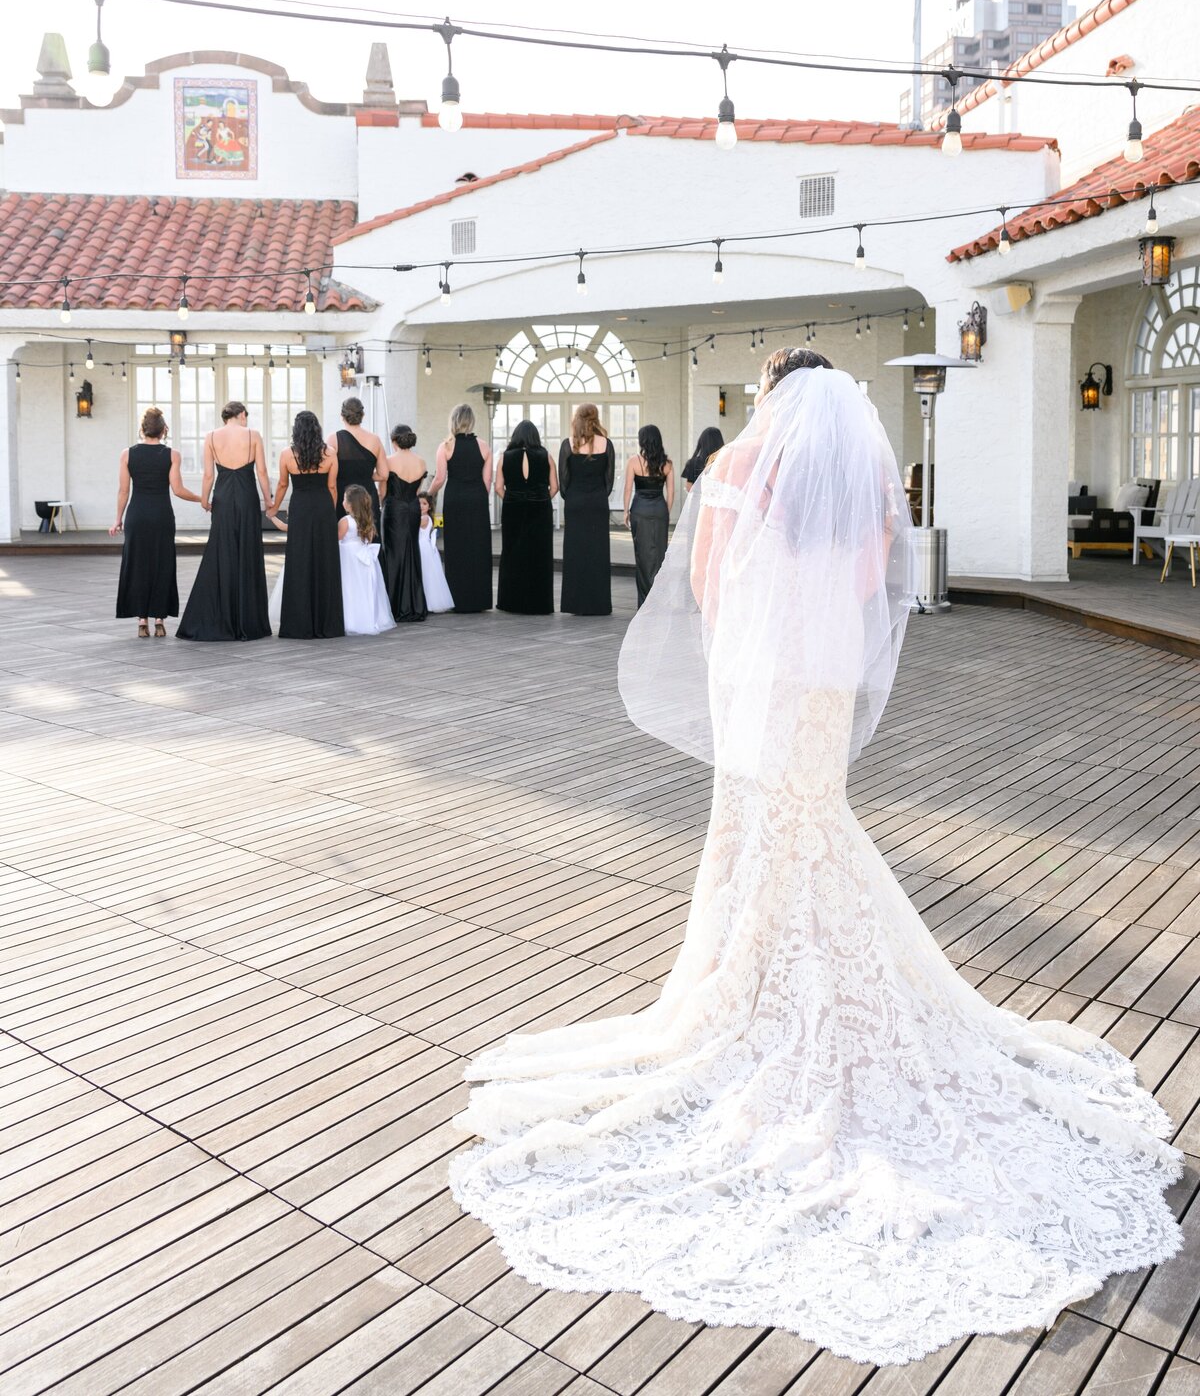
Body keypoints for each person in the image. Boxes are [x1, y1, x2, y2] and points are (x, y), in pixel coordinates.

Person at [450, 346, 1182, 1366]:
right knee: (812, 822)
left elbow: (707, 584)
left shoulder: (739, 470)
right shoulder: (868, 477)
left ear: (772, 400)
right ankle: (797, 973)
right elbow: (878, 583)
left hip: (760, 673)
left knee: (759, 832)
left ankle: (748, 986)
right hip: (827, 672)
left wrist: (743, 638)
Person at [178, 401, 272, 641]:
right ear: (241, 415)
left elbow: (208, 474)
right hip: (246, 495)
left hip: (222, 495)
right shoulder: (253, 435)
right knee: (248, 551)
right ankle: (248, 621)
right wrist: (268, 499)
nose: (246, 421)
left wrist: (204, 499)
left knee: (221, 551)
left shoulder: (211, 436)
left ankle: (219, 615)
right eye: (246, 417)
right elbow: (261, 472)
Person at [111, 406, 202, 636]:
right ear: (163, 431)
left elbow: (123, 491)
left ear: (142, 429)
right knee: (162, 565)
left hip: (137, 516)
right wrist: (202, 499)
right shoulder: (172, 455)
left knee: (139, 566)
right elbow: (179, 490)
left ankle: (142, 621)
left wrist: (117, 520)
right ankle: (160, 620)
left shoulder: (127, 454)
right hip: (161, 516)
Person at [270, 410, 343, 639]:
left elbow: (282, 485)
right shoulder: (330, 453)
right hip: (322, 508)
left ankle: (298, 624)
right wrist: (329, 512)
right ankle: (326, 624)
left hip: (300, 508)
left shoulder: (287, 454)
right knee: (325, 562)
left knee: (299, 561)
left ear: (296, 430)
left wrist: (273, 508)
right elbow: (332, 488)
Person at [428, 404, 492, 613]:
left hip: (455, 498)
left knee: (457, 547)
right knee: (478, 546)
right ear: (471, 421)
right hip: (477, 499)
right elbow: (487, 481)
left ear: (453, 421)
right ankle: (480, 599)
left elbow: (439, 478)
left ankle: (458, 598)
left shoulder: (445, 446)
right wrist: (479, 497)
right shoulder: (484, 446)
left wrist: (428, 494)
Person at [558, 403, 614, 615]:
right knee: (598, 552)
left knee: (575, 553)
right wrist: (598, 496)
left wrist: (571, 496)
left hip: (575, 503)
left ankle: (575, 603)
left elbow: (563, 480)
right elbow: (609, 480)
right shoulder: (606, 444)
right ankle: (599, 604)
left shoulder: (568, 444)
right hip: (598, 503)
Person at [496, 419, 557, 615]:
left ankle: (511, 602)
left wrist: (513, 498)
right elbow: (554, 487)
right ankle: (540, 604)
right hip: (540, 509)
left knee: (512, 553)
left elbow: (498, 487)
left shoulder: (505, 457)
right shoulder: (546, 456)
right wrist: (540, 498)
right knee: (540, 554)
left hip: (513, 509)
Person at [622, 424, 675, 607]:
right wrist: (665, 512)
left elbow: (628, 488)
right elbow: (671, 492)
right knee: (660, 554)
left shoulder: (633, 461)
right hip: (659, 510)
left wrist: (625, 511)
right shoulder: (667, 464)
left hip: (640, 510)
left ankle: (644, 602)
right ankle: (659, 600)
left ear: (642, 441)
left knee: (642, 556)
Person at [381, 423, 427, 624]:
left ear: (394, 441)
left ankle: (394, 605)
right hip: (413, 508)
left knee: (393, 554)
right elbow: (417, 492)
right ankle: (414, 604)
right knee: (411, 552)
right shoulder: (421, 462)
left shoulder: (389, 461)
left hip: (394, 509)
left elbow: (383, 491)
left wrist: (382, 503)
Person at [338, 485, 396, 636]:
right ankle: (368, 616)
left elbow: (337, 539)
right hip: (363, 558)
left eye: (344, 499)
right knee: (364, 588)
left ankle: (350, 619)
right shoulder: (368, 521)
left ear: (350, 504)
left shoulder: (345, 521)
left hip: (349, 558)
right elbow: (367, 541)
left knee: (349, 588)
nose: (342, 502)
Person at [328, 396, 387, 535]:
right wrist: (367, 475)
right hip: (367, 494)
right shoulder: (375, 439)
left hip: (342, 496)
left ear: (342, 416)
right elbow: (384, 474)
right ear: (363, 415)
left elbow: (326, 470)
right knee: (368, 537)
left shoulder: (333, 439)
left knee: (342, 538)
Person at [417, 491, 453, 612]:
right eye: (419, 503)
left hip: (423, 548)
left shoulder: (424, 518)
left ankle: (428, 602)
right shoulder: (425, 517)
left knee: (426, 575)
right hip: (425, 547)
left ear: (429, 506)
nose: (421, 506)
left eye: (424, 503)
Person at [681, 425, 724, 492]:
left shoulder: (692, 463)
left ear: (701, 441)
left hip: (698, 500)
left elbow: (689, 487)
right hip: (718, 500)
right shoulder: (724, 462)